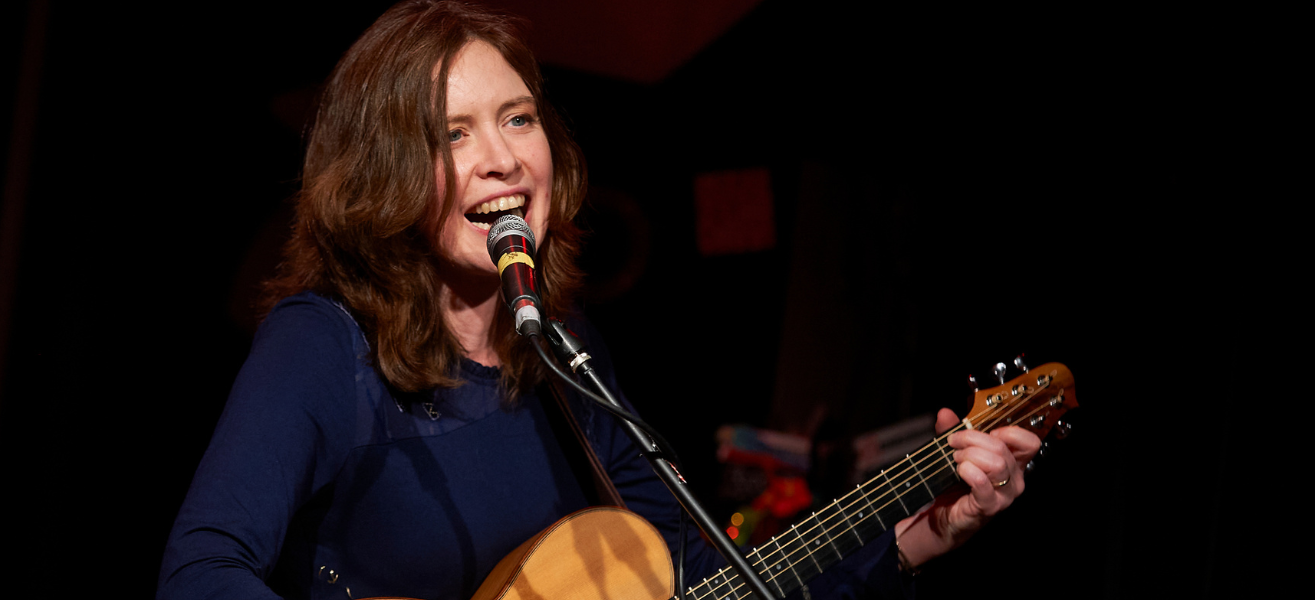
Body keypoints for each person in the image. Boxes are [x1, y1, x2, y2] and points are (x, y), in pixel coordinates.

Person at [157, 2, 1040, 599]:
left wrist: (925, 530)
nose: (503, 157)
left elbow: (704, 580)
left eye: (518, 117)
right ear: (383, 175)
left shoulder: (567, 355)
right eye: (452, 133)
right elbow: (202, 570)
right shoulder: (323, 344)